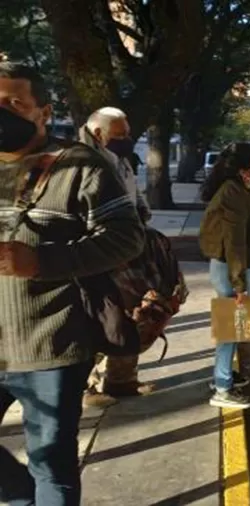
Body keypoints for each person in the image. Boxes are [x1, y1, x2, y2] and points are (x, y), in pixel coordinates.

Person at [0, 62, 145, 505]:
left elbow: (127, 238)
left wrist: (41, 261)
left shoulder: (80, 165)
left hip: (50, 343)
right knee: (38, 482)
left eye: (13, 103)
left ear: (43, 111)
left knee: (52, 464)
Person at [78, 107, 153, 406]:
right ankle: (86, 386)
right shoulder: (80, 162)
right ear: (99, 134)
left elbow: (132, 190)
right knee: (96, 321)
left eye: (128, 133)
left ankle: (122, 380)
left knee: (131, 315)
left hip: (127, 249)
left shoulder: (118, 158)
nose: (127, 140)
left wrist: (142, 211)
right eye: (120, 135)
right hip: (97, 255)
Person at [198, 142, 250, 409]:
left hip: (231, 267)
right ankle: (223, 389)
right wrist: (239, 283)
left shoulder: (237, 190)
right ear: (242, 170)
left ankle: (224, 376)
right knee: (231, 328)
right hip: (231, 268)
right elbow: (235, 242)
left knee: (234, 327)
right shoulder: (233, 194)